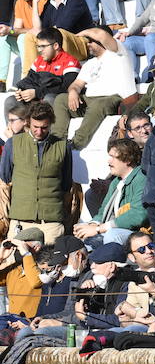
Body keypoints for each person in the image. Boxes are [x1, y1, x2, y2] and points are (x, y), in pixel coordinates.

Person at [52, 27, 136, 150]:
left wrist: (84, 32)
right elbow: (76, 84)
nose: (88, 43)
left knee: (98, 104)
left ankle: (76, 143)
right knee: (61, 99)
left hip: (112, 98)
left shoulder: (118, 52)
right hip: (89, 101)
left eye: (91, 40)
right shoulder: (89, 64)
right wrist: (73, 92)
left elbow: (102, 35)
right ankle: (57, 141)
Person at [0, 102, 71, 244]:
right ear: (28, 122)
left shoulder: (63, 146)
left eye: (44, 127)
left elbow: (66, 184)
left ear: (51, 124)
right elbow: (5, 177)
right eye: (35, 127)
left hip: (51, 224)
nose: (39, 132)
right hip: (20, 222)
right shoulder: (12, 144)